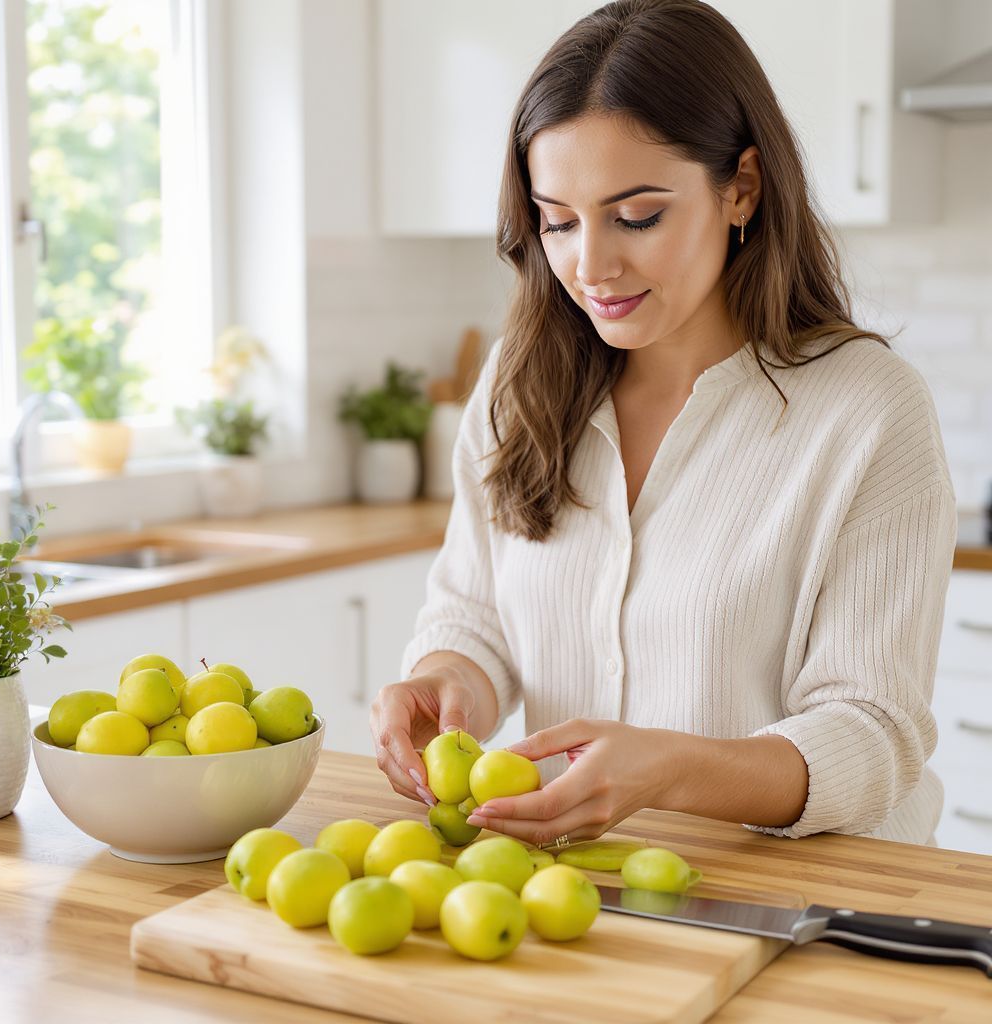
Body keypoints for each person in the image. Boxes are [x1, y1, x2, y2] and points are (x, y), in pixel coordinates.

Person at [369, 0, 957, 849]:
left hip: (812, 907)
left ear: (741, 188)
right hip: (590, 901)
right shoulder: (517, 383)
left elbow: (874, 733)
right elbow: (476, 614)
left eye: (637, 216)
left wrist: (671, 770)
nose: (591, 266)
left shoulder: (866, 409)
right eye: (559, 221)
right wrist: (443, 679)